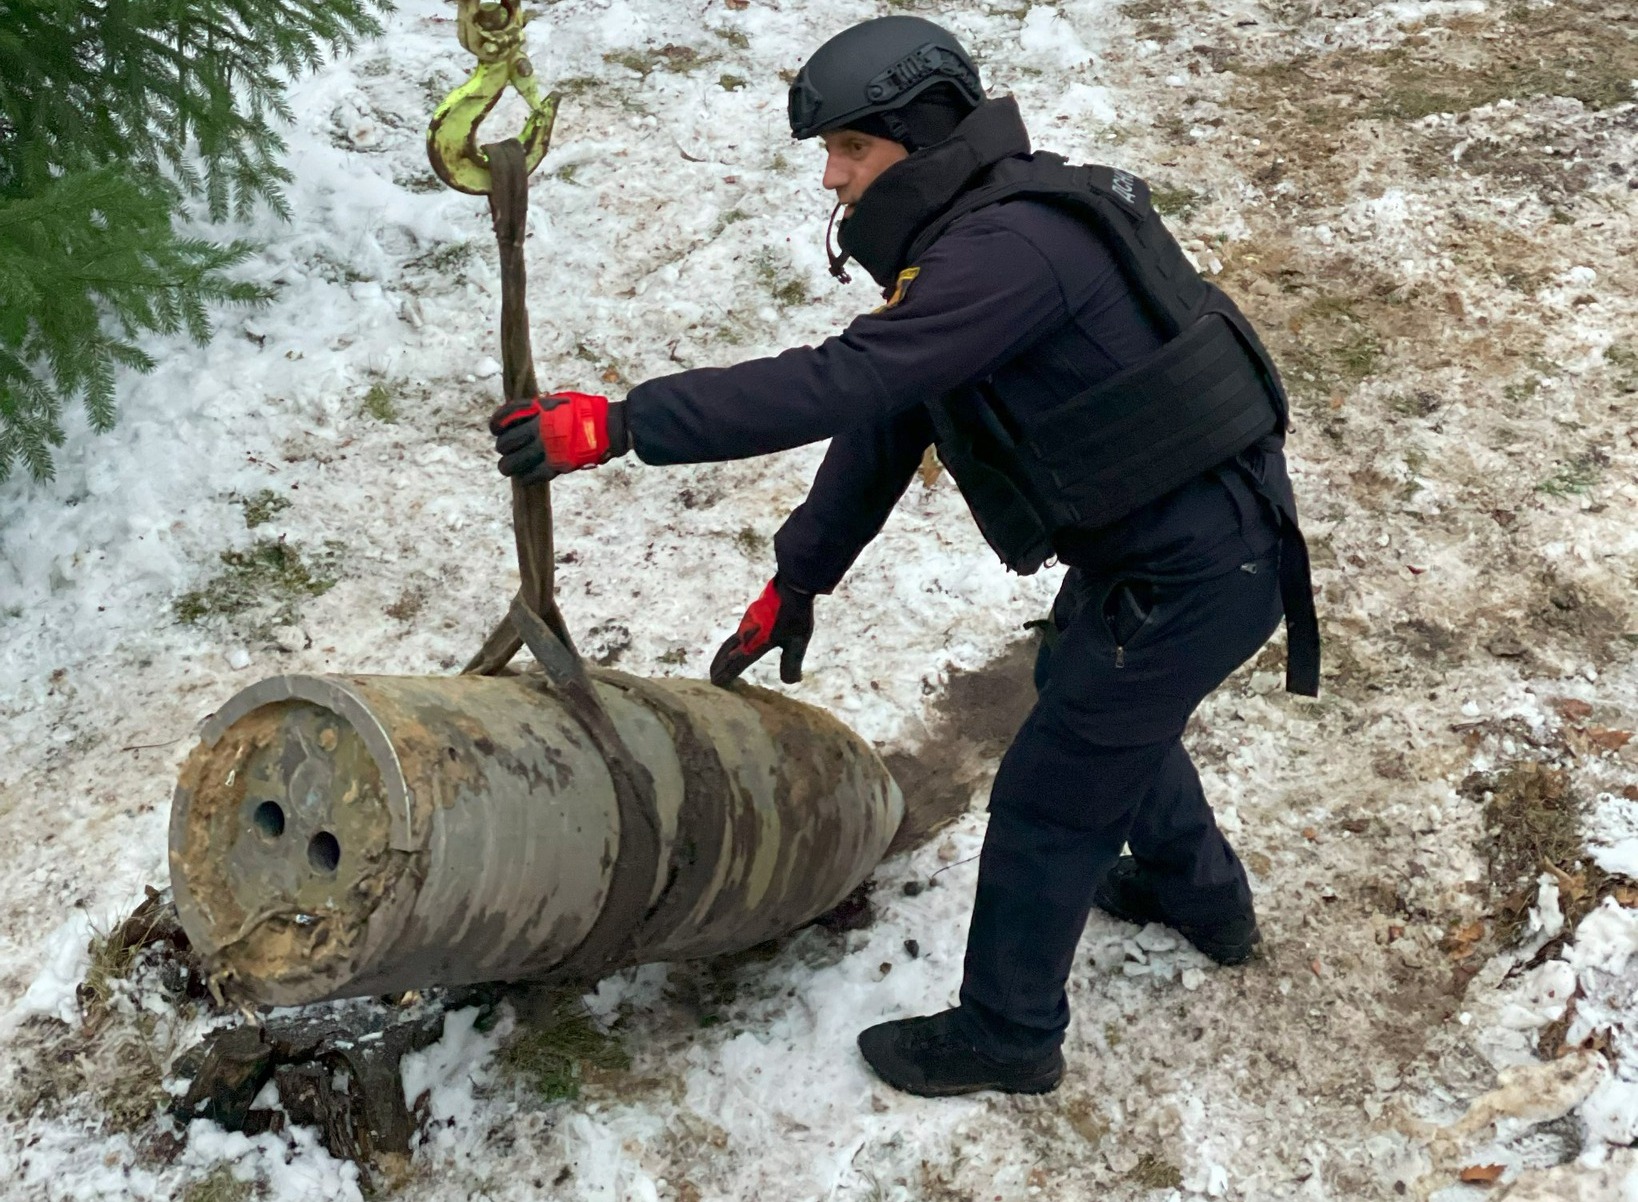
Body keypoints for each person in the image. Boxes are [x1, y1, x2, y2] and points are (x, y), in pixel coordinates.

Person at [488, 15, 1320, 1098]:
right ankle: (1198, 893)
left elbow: (840, 382)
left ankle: (1010, 1030)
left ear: (919, 138)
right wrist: (799, 576)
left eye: (850, 150)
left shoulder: (1009, 255)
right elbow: (892, 416)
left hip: (1199, 567)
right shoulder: (978, 238)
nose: (832, 179)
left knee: (1053, 795)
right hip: (1174, 549)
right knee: (1095, 695)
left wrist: (622, 423)